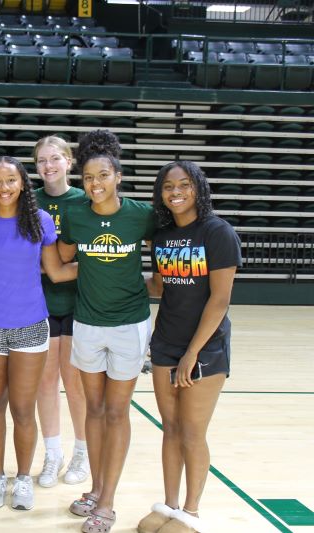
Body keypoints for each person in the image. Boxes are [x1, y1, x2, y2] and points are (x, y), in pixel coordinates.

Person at [0, 156, 77, 511]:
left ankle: (23, 478)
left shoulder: (40, 221)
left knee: (23, 409)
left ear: (23, 184)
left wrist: (114, 266)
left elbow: (56, 272)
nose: (4, 187)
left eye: (10, 180)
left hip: (30, 325)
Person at [59, 130, 155, 533]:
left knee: (117, 412)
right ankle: (97, 490)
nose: (94, 184)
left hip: (129, 324)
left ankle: (109, 504)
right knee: (94, 410)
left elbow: (165, 253)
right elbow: (65, 257)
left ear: (118, 175)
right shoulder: (77, 214)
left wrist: (147, 284)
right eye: (88, 178)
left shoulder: (141, 214)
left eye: (102, 176)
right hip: (87, 322)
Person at [137, 161, 241, 533]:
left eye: (183, 184)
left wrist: (192, 353)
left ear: (198, 188)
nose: (175, 191)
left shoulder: (218, 232)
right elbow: (162, 287)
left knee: (193, 431)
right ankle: (169, 505)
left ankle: (191, 513)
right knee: (171, 428)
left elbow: (220, 299)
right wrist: (111, 272)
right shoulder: (162, 236)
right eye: (168, 186)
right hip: (165, 341)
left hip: (206, 349)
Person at [32, 136, 90, 488]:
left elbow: (92, 255)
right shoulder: (29, 201)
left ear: (69, 162)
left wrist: (54, 264)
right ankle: (52, 454)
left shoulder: (84, 200)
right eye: (41, 161)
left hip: (78, 303)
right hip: (39, 303)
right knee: (45, 382)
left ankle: (81, 452)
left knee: (76, 384)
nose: (48, 166)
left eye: (55, 159)